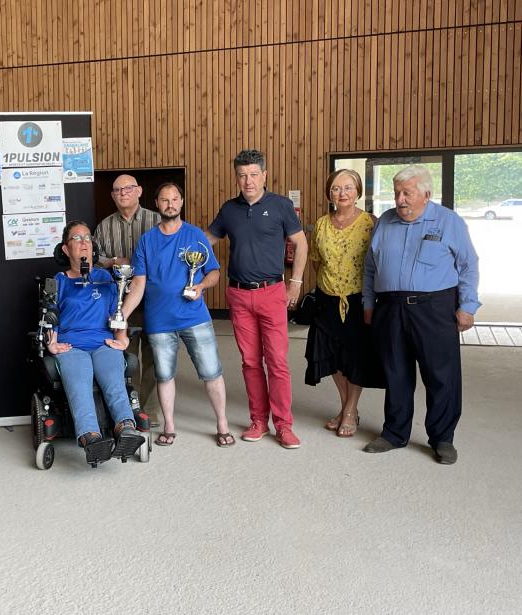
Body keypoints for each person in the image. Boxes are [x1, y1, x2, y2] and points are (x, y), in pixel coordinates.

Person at [362, 165, 479, 465]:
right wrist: (368, 304)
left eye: (407, 193)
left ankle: (442, 438)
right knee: (396, 372)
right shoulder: (385, 221)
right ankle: (394, 433)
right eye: (397, 193)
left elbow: (468, 265)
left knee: (441, 375)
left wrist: (467, 306)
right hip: (390, 307)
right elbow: (370, 267)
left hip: (435, 307)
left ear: (426, 194)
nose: (400, 199)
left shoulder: (448, 221)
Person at [206, 149, 308, 449]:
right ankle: (258, 421)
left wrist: (296, 283)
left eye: (253, 174)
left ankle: (284, 425)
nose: (247, 181)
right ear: (236, 177)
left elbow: (300, 244)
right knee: (250, 362)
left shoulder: (281, 206)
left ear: (264, 175)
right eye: (241, 175)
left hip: (272, 292)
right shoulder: (229, 209)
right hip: (238, 294)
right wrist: (174, 241)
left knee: (277, 362)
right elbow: (204, 240)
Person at [123, 182, 233, 447]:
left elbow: (214, 272)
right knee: (164, 375)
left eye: (174, 199)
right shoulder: (147, 240)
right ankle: (169, 427)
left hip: (195, 317)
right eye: (164, 200)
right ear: (157, 204)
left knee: (212, 372)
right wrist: (122, 314)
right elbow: (138, 283)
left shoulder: (195, 235)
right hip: (159, 321)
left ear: (181, 202)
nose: (170, 204)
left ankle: (222, 424)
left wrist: (201, 286)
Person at [46, 221, 146, 465]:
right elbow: (51, 318)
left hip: (103, 342)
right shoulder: (58, 281)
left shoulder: (107, 279)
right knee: (79, 385)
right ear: (66, 249)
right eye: (77, 238)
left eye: (88, 238)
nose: (84, 243)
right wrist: (53, 343)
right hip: (72, 346)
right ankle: (90, 437)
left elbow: (117, 313)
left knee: (114, 382)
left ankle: (125, 428)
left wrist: (122, 339)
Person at [305, 169, 384, 437]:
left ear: (358, 191)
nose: (342, 193)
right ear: (329, 193)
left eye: (348, 188)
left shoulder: (371, 223)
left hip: (359, 300)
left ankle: (350, 411)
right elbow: (316, 260)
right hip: (327, 299)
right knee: (333, 357)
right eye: (337, 188)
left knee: (356, 358)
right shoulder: (321, 224)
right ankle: (345, 406)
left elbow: (378, 265)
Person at [93, 174, 162, 426]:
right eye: (117, 190)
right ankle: (127, 408)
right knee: (125, 357)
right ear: (112, 195)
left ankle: (150, 410)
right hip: (121, 303)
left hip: (154, 300)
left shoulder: (156, 221)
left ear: (139, 191)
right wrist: (112, 262)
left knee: (155, 356)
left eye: (128, 188)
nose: (123, 193)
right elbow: (96, 261)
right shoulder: (103, 227)